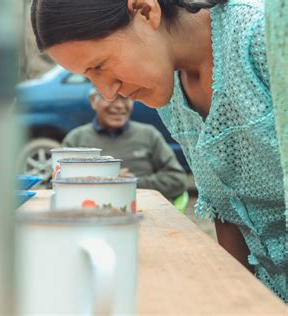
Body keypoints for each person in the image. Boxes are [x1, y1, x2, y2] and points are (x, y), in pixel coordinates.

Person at [31, 0, 287, 301]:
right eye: (90, 78)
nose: (108, 93)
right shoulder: (171, 90)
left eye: (100, 65)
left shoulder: (261, 37)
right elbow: (225, 210)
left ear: (145, 10)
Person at [63, 88, 187, 201]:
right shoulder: (76, 139)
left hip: (143, 212)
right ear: (93, 101)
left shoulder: (149, 135)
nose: (119, 105)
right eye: (110, 98)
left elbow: (177, 180)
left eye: (126, 98)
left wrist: (131, 182)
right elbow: (57, 181)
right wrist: (100, 180)